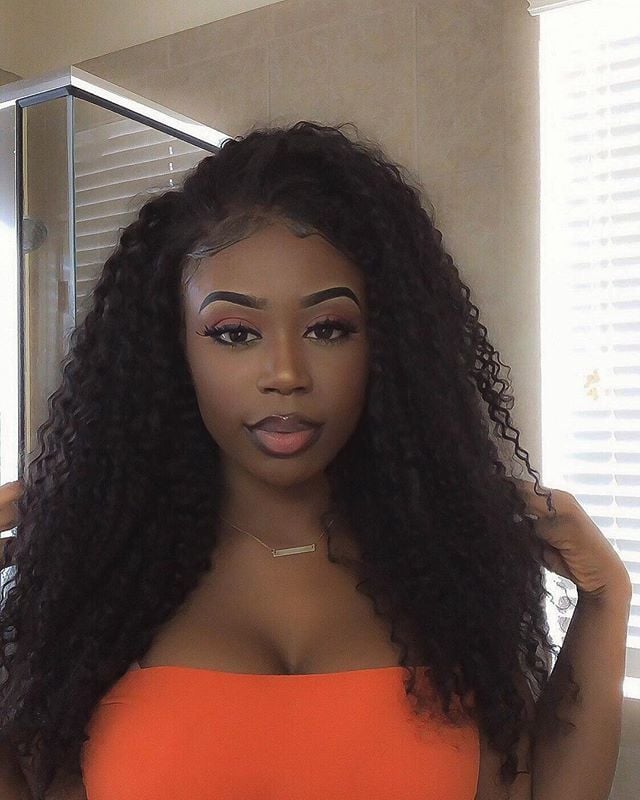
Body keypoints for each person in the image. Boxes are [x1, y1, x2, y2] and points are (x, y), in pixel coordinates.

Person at [0, 121, 560, 800]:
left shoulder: (453, 572)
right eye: (236, 334)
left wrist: (605, 601)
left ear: (386, 346)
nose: (287, 373)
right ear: (174, 350)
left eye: (328, 329)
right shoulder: (95, 582)